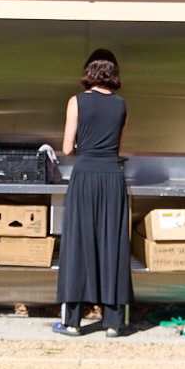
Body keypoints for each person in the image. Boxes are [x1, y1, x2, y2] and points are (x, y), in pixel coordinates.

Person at [55, 48, 134, 336]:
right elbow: (118, 146)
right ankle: (113, 323)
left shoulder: (76, 102)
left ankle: (72, 322)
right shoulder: (121, 105)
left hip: (85, 176)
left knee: (78, 245)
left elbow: (66, 148)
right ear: (113, 74)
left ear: (89, 72)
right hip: (113, 177)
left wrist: (84, 146)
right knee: (112, 245)